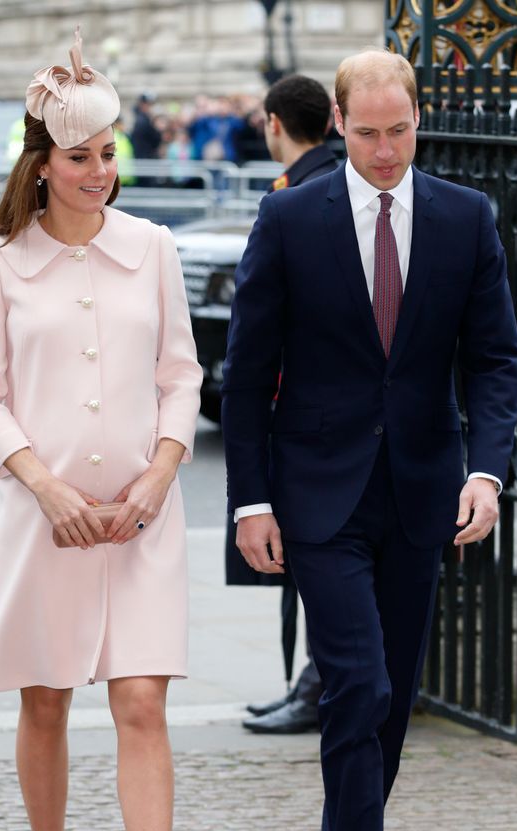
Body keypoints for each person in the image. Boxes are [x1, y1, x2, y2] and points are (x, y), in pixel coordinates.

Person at [221, 50, 517, 831]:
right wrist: (251, 499)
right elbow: (244, 366)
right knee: (360, 688)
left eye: (401, 131)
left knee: (391, 702)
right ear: (339, 125)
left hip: (424, 491)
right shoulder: (288, 216)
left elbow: (497, 359)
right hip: (318, 494)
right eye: (367, 133)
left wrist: (486, 472)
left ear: (418, 119)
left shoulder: (466, 217)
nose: (386, 151)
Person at [0, 29, 202, 831]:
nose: (100, 173)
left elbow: (181, 375)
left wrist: (159, 475)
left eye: (108, 155)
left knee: (142, 702)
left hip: (143, 518)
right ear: (42, 162)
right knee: (47, 701)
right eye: (81, 157)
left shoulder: (155, 249)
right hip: (42, 517)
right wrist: (45, 485)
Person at [226, 74, 338, 736]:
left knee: (314, 564)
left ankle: (318, 686)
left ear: (274, 123)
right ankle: (310, 683)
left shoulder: (297, 191)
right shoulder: (306, 182)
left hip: (307, 408)